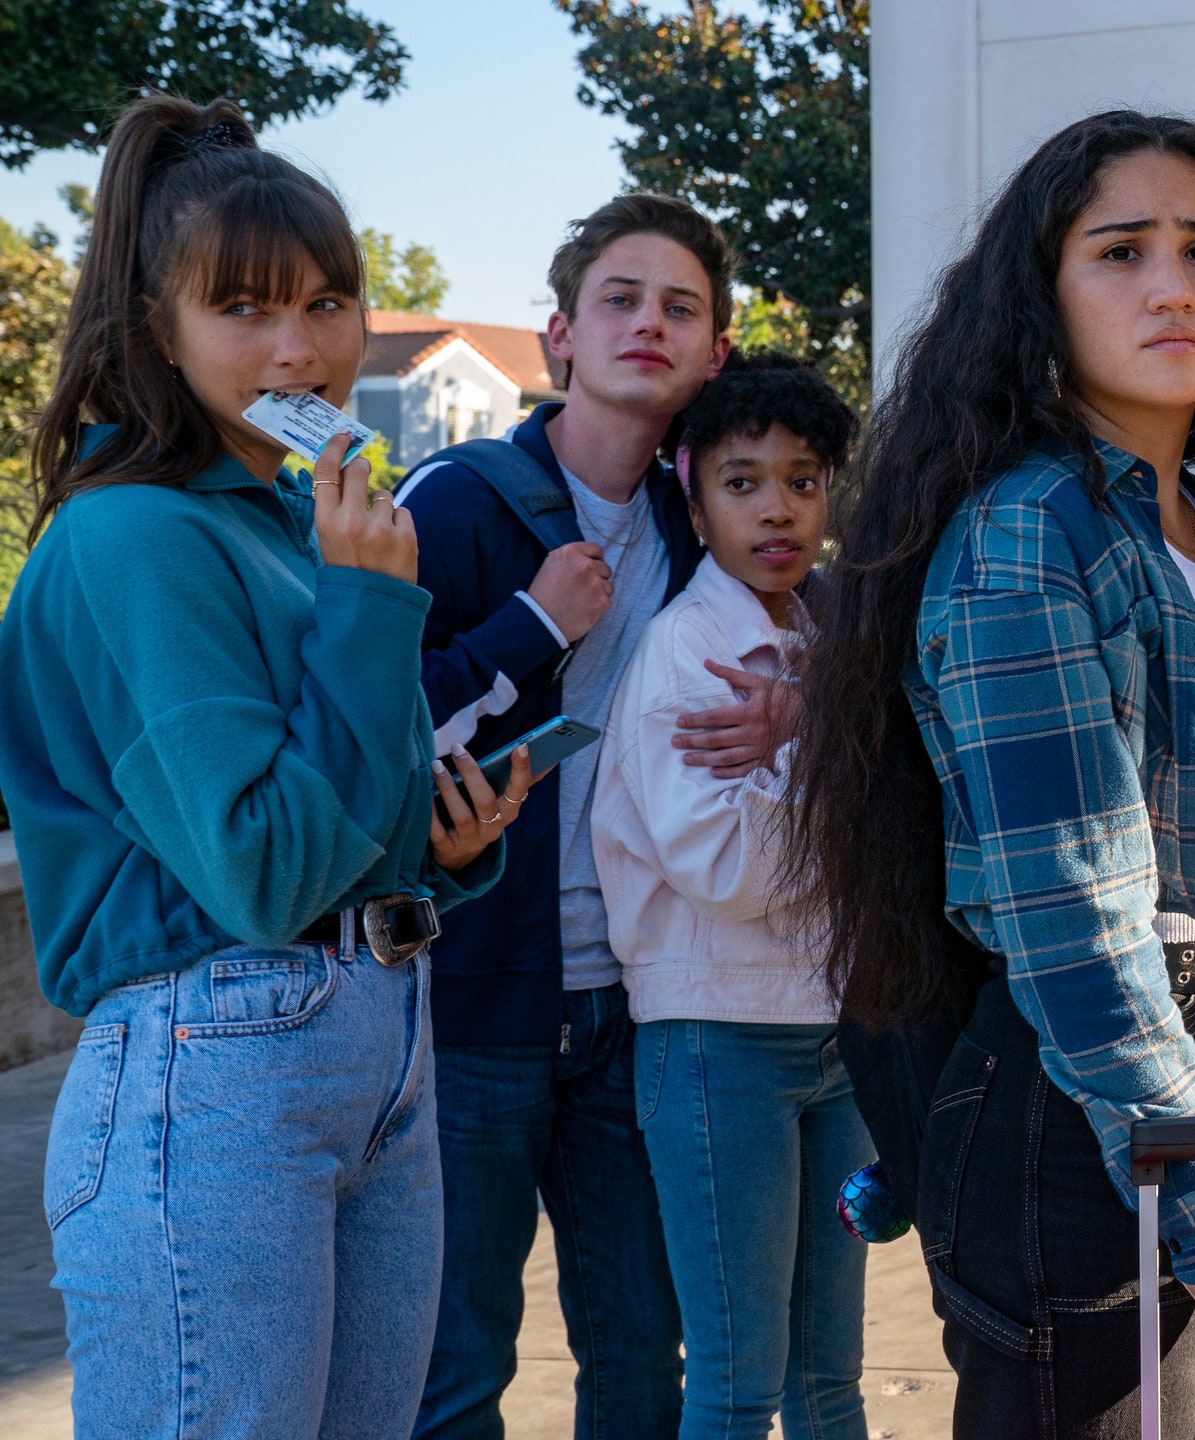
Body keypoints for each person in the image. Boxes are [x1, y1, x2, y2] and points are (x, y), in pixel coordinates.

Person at [784, 111, 1195, 1438]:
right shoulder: (1034, 532)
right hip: (1102, 1114)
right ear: (1042, 293)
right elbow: (1078, 929)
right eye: (1121, 251)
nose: (1173, 286)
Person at [0, 94, 534, 1436]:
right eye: (244, 310)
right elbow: (259, 864)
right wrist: (368, 608)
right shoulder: (135, 538)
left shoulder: (297, 516)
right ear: (157, 333)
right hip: (215, 1061)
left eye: (331, 302)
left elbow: (333, 808)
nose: (302, 349)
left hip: (377, 1037)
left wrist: (439, 847)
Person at [397, 194, 779, 1438]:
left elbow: (827, 634)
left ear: (716, 352)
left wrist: (796, 706)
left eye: (681, 307)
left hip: (638, 1003)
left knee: (639, 1364)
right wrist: (535, 626)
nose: (649, 324)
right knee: (455, 1370)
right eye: (620, 299)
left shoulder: (703, 520)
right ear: (558, 334)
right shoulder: (455, 501)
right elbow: (369, 738)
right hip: (474, 1006)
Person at [589, 352, 871, 1439]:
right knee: (737, 1383)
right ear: (692, 493)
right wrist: (836, 767)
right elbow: (732, 874)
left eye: (803, 480)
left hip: (834, 1040)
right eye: (743, 481)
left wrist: (815, 730)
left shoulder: (825, 645)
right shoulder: (685, 652)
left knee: (830, 1382)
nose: (778, 510)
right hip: (716, 1045)